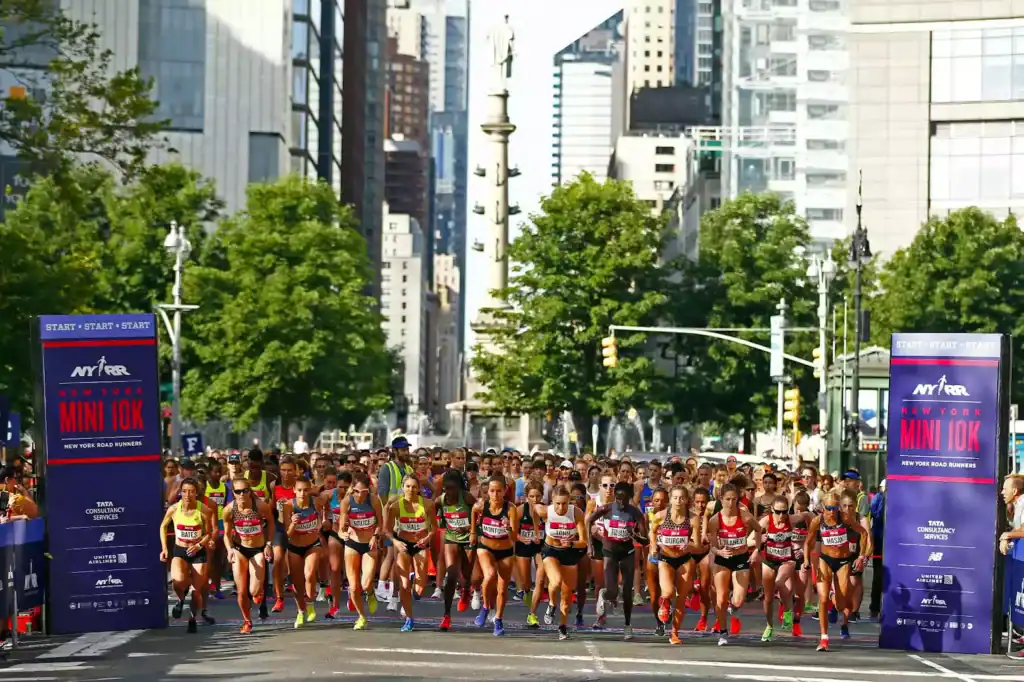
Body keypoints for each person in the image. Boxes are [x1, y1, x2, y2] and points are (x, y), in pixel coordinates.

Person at [804, 491, 868, 651]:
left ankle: (835, 596)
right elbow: (808, 542)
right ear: (822, 507)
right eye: (828, 508)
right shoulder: (817, 521)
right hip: (825, 560)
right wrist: (806, 560)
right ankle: (824, 638)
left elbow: (864, 533)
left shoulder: (845, 519)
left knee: (840, 605)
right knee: (823, 599)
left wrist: (862, 555)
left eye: (834, 508)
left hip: (843, 562)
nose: (832, 511)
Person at [587, 481, 647, 640]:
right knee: (612, 591)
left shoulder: (635, 513)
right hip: (609, 552)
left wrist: (633, 534)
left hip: (627, 552)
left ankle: (627, 625)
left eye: (624, 499)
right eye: (618, 498)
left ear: (630, 497)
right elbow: (588, 521)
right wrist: (590, 545)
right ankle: (604, 594)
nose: (620, 502)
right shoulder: (606, 509)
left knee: (627, 592)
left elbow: (645, 540)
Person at [160, 477, 216, 633]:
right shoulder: (174, 509)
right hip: (180, 550)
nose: (187, 495)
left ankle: (192, 618)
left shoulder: (204, 510)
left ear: (196, 493)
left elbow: (209, 534)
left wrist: (199, 545)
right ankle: (180, 599)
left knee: (196, 591)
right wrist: (164, 548)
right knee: (177, 582)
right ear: (180, 492)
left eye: (191, 491)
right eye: (184, 491)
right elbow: (163, 527)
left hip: (198, 551)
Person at [707, 481, 761, 646]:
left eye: (734, 500)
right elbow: (712, 545)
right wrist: (719, 552)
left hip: (740, 558)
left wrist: (757, 550)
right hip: (722, 560)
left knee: (737, 601)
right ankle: (723, 632)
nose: (731, 503)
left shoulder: (745, 517)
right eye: (728, 499)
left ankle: (733, 607)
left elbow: (758, 529)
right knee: (721, 598)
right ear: (721, 499)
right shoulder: (715, 520)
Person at [534, 486, 589, 640]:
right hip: (550, 550)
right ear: (552, 502)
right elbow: (534, 509)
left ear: (569, 502)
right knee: (556, 581)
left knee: (566, 594)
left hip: (569, 552)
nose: (561, 507)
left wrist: (571, 544)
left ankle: (562, 627)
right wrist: (535, 529)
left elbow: (584, 542)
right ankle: (551, 603)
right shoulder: (546, 511)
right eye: (557, 504)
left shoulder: (576, 513)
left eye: (564, 504)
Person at [384, 475, 436, 632]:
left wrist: (427, 538)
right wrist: (395, 542)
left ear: (419, 488)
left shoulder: (427, 504)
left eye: (414, 487)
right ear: (402, 488)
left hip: (420, 545)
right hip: (403, 544)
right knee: (404, 585)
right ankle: (409, 618)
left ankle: (416, 582)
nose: (411, 490)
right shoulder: (396, 506)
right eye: (407, 486)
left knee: (420, 586)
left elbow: (434, 528)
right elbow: (387, 530)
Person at [222, 477, 274, 633]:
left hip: (257, 549)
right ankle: (247, 621)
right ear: (233, 493)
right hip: (239, 549)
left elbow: (271, 522)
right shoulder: (229, 510)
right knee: (242, 590)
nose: (242, 494)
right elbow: (225, 534)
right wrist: (229, 549)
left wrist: (269, 544)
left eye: (245, 490)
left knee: (254, 591)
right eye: (238, 492)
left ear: (250, 491)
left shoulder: (260, 506)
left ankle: (259, 592)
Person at [470, 476, 520, 636]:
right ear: (488, 492)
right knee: (490, 574)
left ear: (505, 491)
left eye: (499, 491)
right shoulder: (482, 505)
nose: (495, 494)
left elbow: (514, 537)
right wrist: (473, 532)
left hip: (505, 550)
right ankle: (485, 607)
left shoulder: (511, 509)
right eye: (492, 491)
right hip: (485, 547)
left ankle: (498, 619)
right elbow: (473, 510)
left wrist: (508, 527)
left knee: (502, 589)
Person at [336, 472, 384, 630]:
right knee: (354, 586)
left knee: (365, 583)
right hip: (352, 543)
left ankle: (370, 592)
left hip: (369, 544)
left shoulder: (374, 500)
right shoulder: (346, 502)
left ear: (368, 490)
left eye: (364, 492)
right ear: (352, 490)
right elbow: (341, 528)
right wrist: (342, 533)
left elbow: (380, 523)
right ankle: (361, 617)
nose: (360, 495)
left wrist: (375, 536)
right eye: (357, 491)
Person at [651, 485, 699, 644]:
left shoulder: (692, 518)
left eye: (682, 498)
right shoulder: (660, 516)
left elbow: (697, 545)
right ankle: (664, 605)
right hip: (666, 559)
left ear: (686, 500)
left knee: (681, 598)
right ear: (670, 499)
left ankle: (674, 632)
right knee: (668, 592)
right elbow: (652, 531)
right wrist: (653, 546)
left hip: (684, 559)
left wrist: (689, 546)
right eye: (675, 498)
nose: (678, 501)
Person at [281, 477, 325, 628]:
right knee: (297, 583)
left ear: (310, 490)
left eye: (306, 490)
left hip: (312, 544)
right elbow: (287, 534)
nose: (302, 493)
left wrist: (322, 522)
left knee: (310, 573)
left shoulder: (316, 502)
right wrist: (293, 523)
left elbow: (325, 513)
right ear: (294, 490)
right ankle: (301, 611)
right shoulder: (288, 506)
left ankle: (310, 602)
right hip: (294, 546)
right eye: (299, 490)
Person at [438, 470, 477, 631]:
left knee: (467, 574)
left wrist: (469, 527)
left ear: (460, 488)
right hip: (451, 538)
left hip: (468, 538)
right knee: (451, 574)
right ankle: (446, 615)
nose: (449, 493)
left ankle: (467, 589)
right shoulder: (441, 500)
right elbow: (427, 510)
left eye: (453, 489)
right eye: (446, 489)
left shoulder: (467, 497)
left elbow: (481, 514)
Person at [868, 479, 887, 620]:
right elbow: (876, 514)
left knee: (880, 576)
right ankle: (875, 607)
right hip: (880, 540)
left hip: (884, 540)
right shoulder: (878, 498)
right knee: (878, 576)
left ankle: (877, 608)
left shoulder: (878, 498)